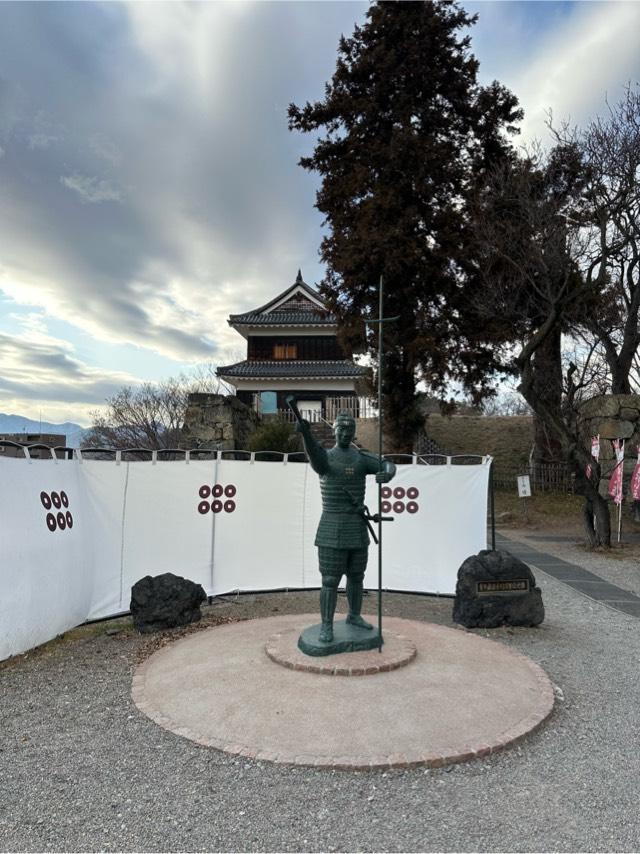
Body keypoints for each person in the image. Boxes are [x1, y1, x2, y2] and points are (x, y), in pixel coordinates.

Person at [296, 410, 396, 643]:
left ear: (353, 432)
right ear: (334, 430)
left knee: (357, 576)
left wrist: (387, 474)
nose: (345, 433)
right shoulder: (325, 458)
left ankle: (354, 615)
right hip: (332, 527)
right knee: (330, 580)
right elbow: (314, 453)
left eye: (349, 430)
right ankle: (327, 625)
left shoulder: (360, 458)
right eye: (341, 429)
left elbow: (386, 464)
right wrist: (306, 434)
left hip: (357, 527)